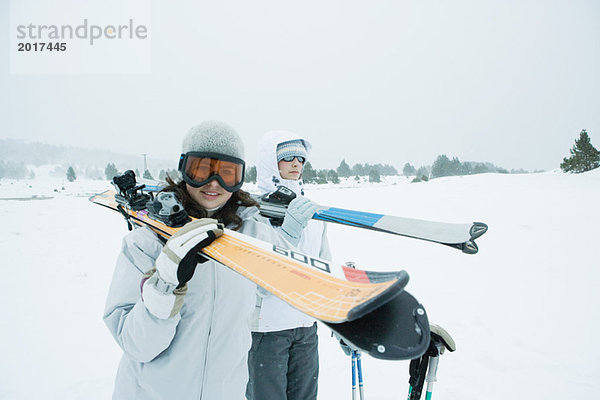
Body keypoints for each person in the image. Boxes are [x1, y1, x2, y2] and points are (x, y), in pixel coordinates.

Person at [103, 121, 299, 400]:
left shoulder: (253, 234)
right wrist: (163, 288)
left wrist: (288, 236)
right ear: (185, 170)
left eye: (228, 174)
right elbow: (138, 347)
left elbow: (287, 286)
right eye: (202, 170)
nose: (214, 184)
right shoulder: (145, 243)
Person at [246, 130, 331, 400]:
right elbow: (255, 278)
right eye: (287, 158)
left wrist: (339, 320)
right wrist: (288, 236)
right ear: (271, 162)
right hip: (268, 329)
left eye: (301, 159)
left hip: (306, 326)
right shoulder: (252, 210)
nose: (296, 164)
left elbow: (325, 266)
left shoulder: (314, 211)